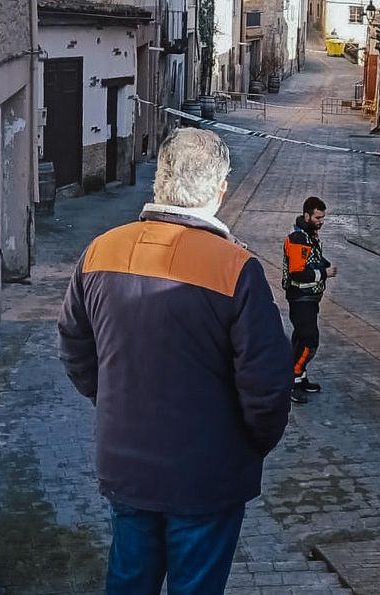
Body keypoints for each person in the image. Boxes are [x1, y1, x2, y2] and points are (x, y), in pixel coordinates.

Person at [57, 128, 293, 595]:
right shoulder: (235, 269)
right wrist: (246, 447)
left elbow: (73, 347)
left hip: (125, 466)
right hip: (207, 477)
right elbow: (267, 386)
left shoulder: (100, 250)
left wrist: (112, 404)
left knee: (128, 581)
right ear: (221, 190)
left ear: (159, 181)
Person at [282, 196, 337, 404]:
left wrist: (323, 264)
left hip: (309, 298)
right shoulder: (299, 238)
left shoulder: (308, 235)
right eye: (317, 217)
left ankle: (299, 377)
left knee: (300, 338)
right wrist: (324, 272)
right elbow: (297, 272)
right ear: (307, 215)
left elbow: (312, 259)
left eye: (322, 217)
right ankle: (292, 379)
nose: (321, 221)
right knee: (309, 340)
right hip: (301, 297)